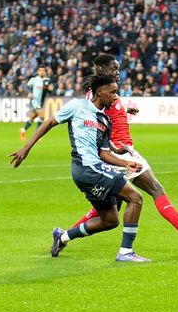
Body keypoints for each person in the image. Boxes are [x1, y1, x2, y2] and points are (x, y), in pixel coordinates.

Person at [69, 54, 178, 252]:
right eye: (114, 68)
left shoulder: (106, 92)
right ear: (103, 69)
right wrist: (114, 148)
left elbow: (107, 112)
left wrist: (124, 109)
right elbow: (96, 123)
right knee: (156, 190)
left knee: (109, 209)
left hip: (121, 150)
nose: (118, 73)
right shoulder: (95, 96)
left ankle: (63, 236)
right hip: (120, 153)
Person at [9, 73, 150, 262]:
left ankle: (62, 237)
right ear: (99, 92)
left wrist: (125, 162)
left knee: (110, 220)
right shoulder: (77, 106)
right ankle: (126, 252)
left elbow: (104, 153)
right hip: (86, 168)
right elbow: (49, 122)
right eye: (112, 92)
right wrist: (27, 148)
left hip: (91, 170)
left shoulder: (105, 120)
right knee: (136, 198)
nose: (116, 97)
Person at [21, 67, 50, 142]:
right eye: (40, 70)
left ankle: (23, 129)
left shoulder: (47, 80)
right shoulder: (34, 79)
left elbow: (48, 91)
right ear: (38, 72)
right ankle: (38, 135)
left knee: (33, 117)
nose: (42, 72)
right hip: (34, 101)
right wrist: (29, 92)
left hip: (41, 102)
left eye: (43, 70)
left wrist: (50, 89)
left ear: (45, 72)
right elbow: (26, 87)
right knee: (42, 116)